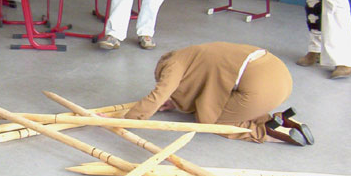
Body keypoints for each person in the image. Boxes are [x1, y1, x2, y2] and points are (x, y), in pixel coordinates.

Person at [123, 42, 314, 146]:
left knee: (212, 120)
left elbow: (160, 93)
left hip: (259, 89)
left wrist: (128, 120)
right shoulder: (194, 53)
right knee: (233, 103)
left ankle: (267, 133)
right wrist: (175, 103)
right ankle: (279, 120)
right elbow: (204, 84)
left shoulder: (172, 65)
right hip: (280, 77)